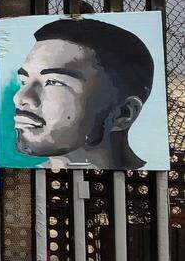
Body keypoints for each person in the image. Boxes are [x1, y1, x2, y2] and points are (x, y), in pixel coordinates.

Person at [12, 17, 154, 170]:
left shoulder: (154, 184)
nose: (20, 98)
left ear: (123, 113)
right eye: (23, 81)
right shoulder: (24, 186)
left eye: (54, 82)